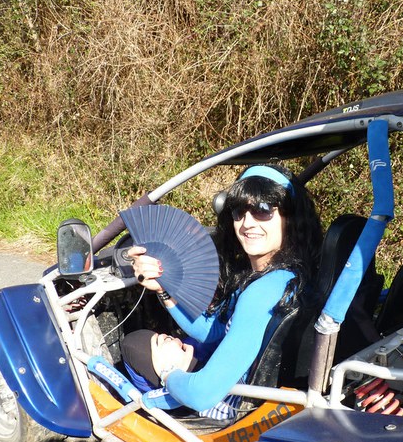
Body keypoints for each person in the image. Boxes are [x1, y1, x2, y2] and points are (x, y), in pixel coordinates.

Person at [121, 164, 322, 420]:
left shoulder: (262, 292)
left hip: (233, 410)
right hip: (261, 400)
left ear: (290, 218)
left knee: (134, 344)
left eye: (262, 210)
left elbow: (201, 394)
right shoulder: (289, 275)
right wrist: (164, 290)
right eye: (239, 211)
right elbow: (214, 332)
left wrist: (168, 371)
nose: (247, 223)